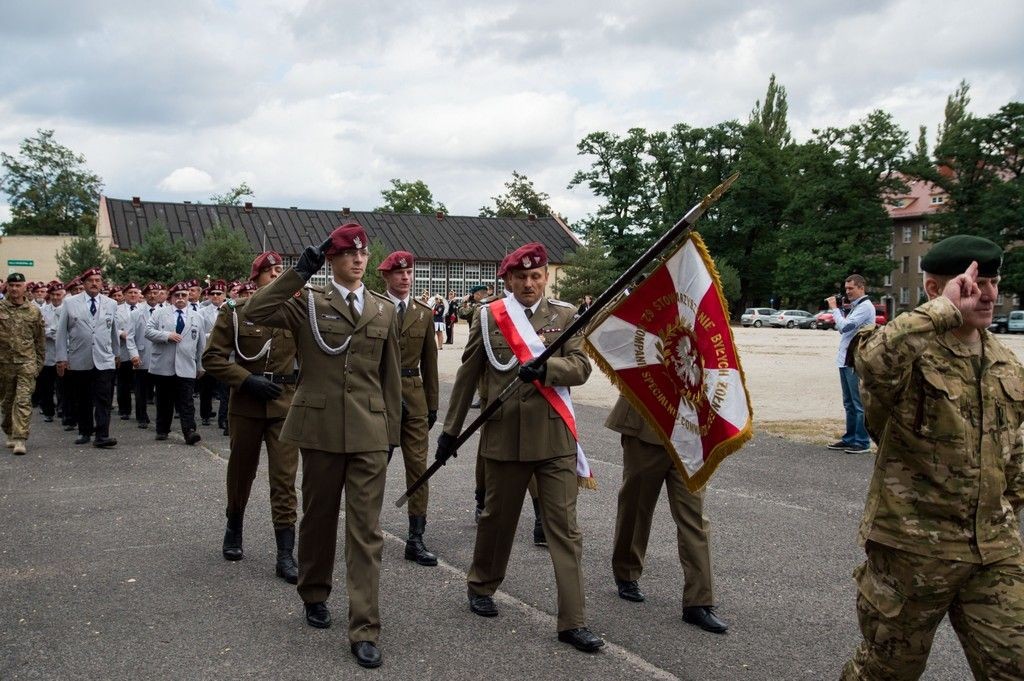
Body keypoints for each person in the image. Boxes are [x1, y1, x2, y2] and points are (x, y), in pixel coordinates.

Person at [841, 235, 1024, 680]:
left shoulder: (1005, 362)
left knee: (1014, 665)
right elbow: (871, 362)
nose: (988, 294)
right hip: (913, 550)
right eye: (973, 284)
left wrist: (1005, 507)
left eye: (995, 282)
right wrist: (943, 311)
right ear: (933, 290)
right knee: (887, 672)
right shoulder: (908, 354)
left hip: (993, 549)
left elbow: (1012, 449)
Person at [245, 223, 400, 670]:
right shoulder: (308, 302)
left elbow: (390, 377)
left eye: (363, 253)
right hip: (320, 429)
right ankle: (314, 592)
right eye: (347, 253)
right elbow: (256, 310)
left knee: (366, 530)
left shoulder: (382, 309)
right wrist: (298, 273)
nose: (357, 259)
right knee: (317, 518)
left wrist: (390, 433)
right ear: (330, 259)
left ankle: (365, 627)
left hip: (369, 433)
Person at [436, 242, 604, 653]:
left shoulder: (564, 316)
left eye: (536, 276)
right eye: (521, 277)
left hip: (553, 440)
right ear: (508, 279)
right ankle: (481, 585)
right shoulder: (489, 315)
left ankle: (573, 621)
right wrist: (450, 431)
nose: (529, 283)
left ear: (545, 277)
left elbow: (581, 367)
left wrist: (548, 368)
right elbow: (468, 373)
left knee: (564, 529)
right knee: (497, 520)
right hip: (504, 437)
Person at [203, 253, 300, 582]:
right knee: (241, 472)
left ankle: (286, 553)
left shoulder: (296, 312)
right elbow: (212, 358)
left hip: (284, 406)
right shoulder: (235, 313)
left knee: (285, 480)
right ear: (256, 277)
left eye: (280, 270)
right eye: (270, 271)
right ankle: (234, 524)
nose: (277, 274)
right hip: (246, 405)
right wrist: (246, 379)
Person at [606, 396, 729, 633]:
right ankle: (626, 571)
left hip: (690, 432)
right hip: (646, 426)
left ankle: (699, 601)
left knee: (694, 518)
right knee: (636, 507)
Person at [378, 250, 440, 566]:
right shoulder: (375, 308)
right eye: (398, 273)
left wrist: (432, 405)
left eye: (409, 272)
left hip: (414, 399)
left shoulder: (423, 313)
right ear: (386, 276)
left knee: (418, 468)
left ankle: (416, 537)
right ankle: (365, 529)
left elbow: (430, 361)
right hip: (380, 399)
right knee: (374, 466)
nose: (405, 277)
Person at [55, 267, 120, 448]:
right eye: (90, 280)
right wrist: (61, 358)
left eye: (98, 280)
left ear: (102, 283)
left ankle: (102, 435)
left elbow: (113, 330)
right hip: (79, 358)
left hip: (104, 358)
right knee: (83, 398)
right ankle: (85, 431)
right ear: (83, 284)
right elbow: (61, 333)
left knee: (103, 398)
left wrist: (116, 354)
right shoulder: (70, 303)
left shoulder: (110, 303)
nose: (94, 283)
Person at [145, 282, 204, 445]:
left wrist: (200, 365)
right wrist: (166, 335)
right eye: (177, 295)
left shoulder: (197, 316)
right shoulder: (159, 313)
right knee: (164, 400)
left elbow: (201, 344)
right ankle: (162, 429)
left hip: (186, 365)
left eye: (184, 295)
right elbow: (148, 332)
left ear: (188, 297)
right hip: (164, 364)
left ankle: (189, 431)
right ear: (171, 297)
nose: (180, 298)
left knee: (186, 401)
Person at [825, 274, 875, 455]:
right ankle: (850, 438)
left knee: (858, 402)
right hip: (845, 359)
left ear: (861, 288)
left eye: (851, 288)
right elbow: (843, 329)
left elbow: (844, 327)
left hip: (855, 360)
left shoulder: (865, 307)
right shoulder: (856, 307)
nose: (847, 292)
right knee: (849, 403)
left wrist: (834, 309)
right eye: (846, 289)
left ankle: (861, 442)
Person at [0, 273, 46, 455]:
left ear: (24, 287)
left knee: (23, 400)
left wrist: (39, 363)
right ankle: (9, 431)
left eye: (18, 285)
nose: (14, 289)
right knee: (6, 401)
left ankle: (20, 438)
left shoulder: (33, 311)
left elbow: (39, 339)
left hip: (26, 362)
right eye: (11, 285)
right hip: (4, 363)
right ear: (7, 287)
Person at [197, 280, 228, 427]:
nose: (215, 296)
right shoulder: (202, 312)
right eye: (213, 294)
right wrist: (213, 335)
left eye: (219, 293)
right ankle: (205, 414)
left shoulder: (230, 309)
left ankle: (223, 418)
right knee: (206, 387)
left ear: (224, 295)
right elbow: (199, 334)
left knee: (224, 388)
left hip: (225, 354)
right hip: (209, 351)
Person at [35, 281, 66, 423]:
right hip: (48, 353)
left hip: (64, 353)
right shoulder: (42, 310)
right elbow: (40, 329)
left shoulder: (68, 308)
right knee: (46, 385)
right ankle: (48, 411)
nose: (55, 297)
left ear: (63, 295)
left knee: (63, 386)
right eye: (53, 294)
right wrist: (53, 333)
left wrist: (57, 333)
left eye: (58, 294)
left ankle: (63, 409)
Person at [114, 283, 140, 420]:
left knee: (139, 383)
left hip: (139, 351)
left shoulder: (143, 309)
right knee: (123, 382)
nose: (133, 295)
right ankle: (124, 409)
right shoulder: (116, 310)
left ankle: (141, 412)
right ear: (124, 295)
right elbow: (111, 327)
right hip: (123, 350)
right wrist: (120, 333)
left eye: (135, 292)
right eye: (130, 292)